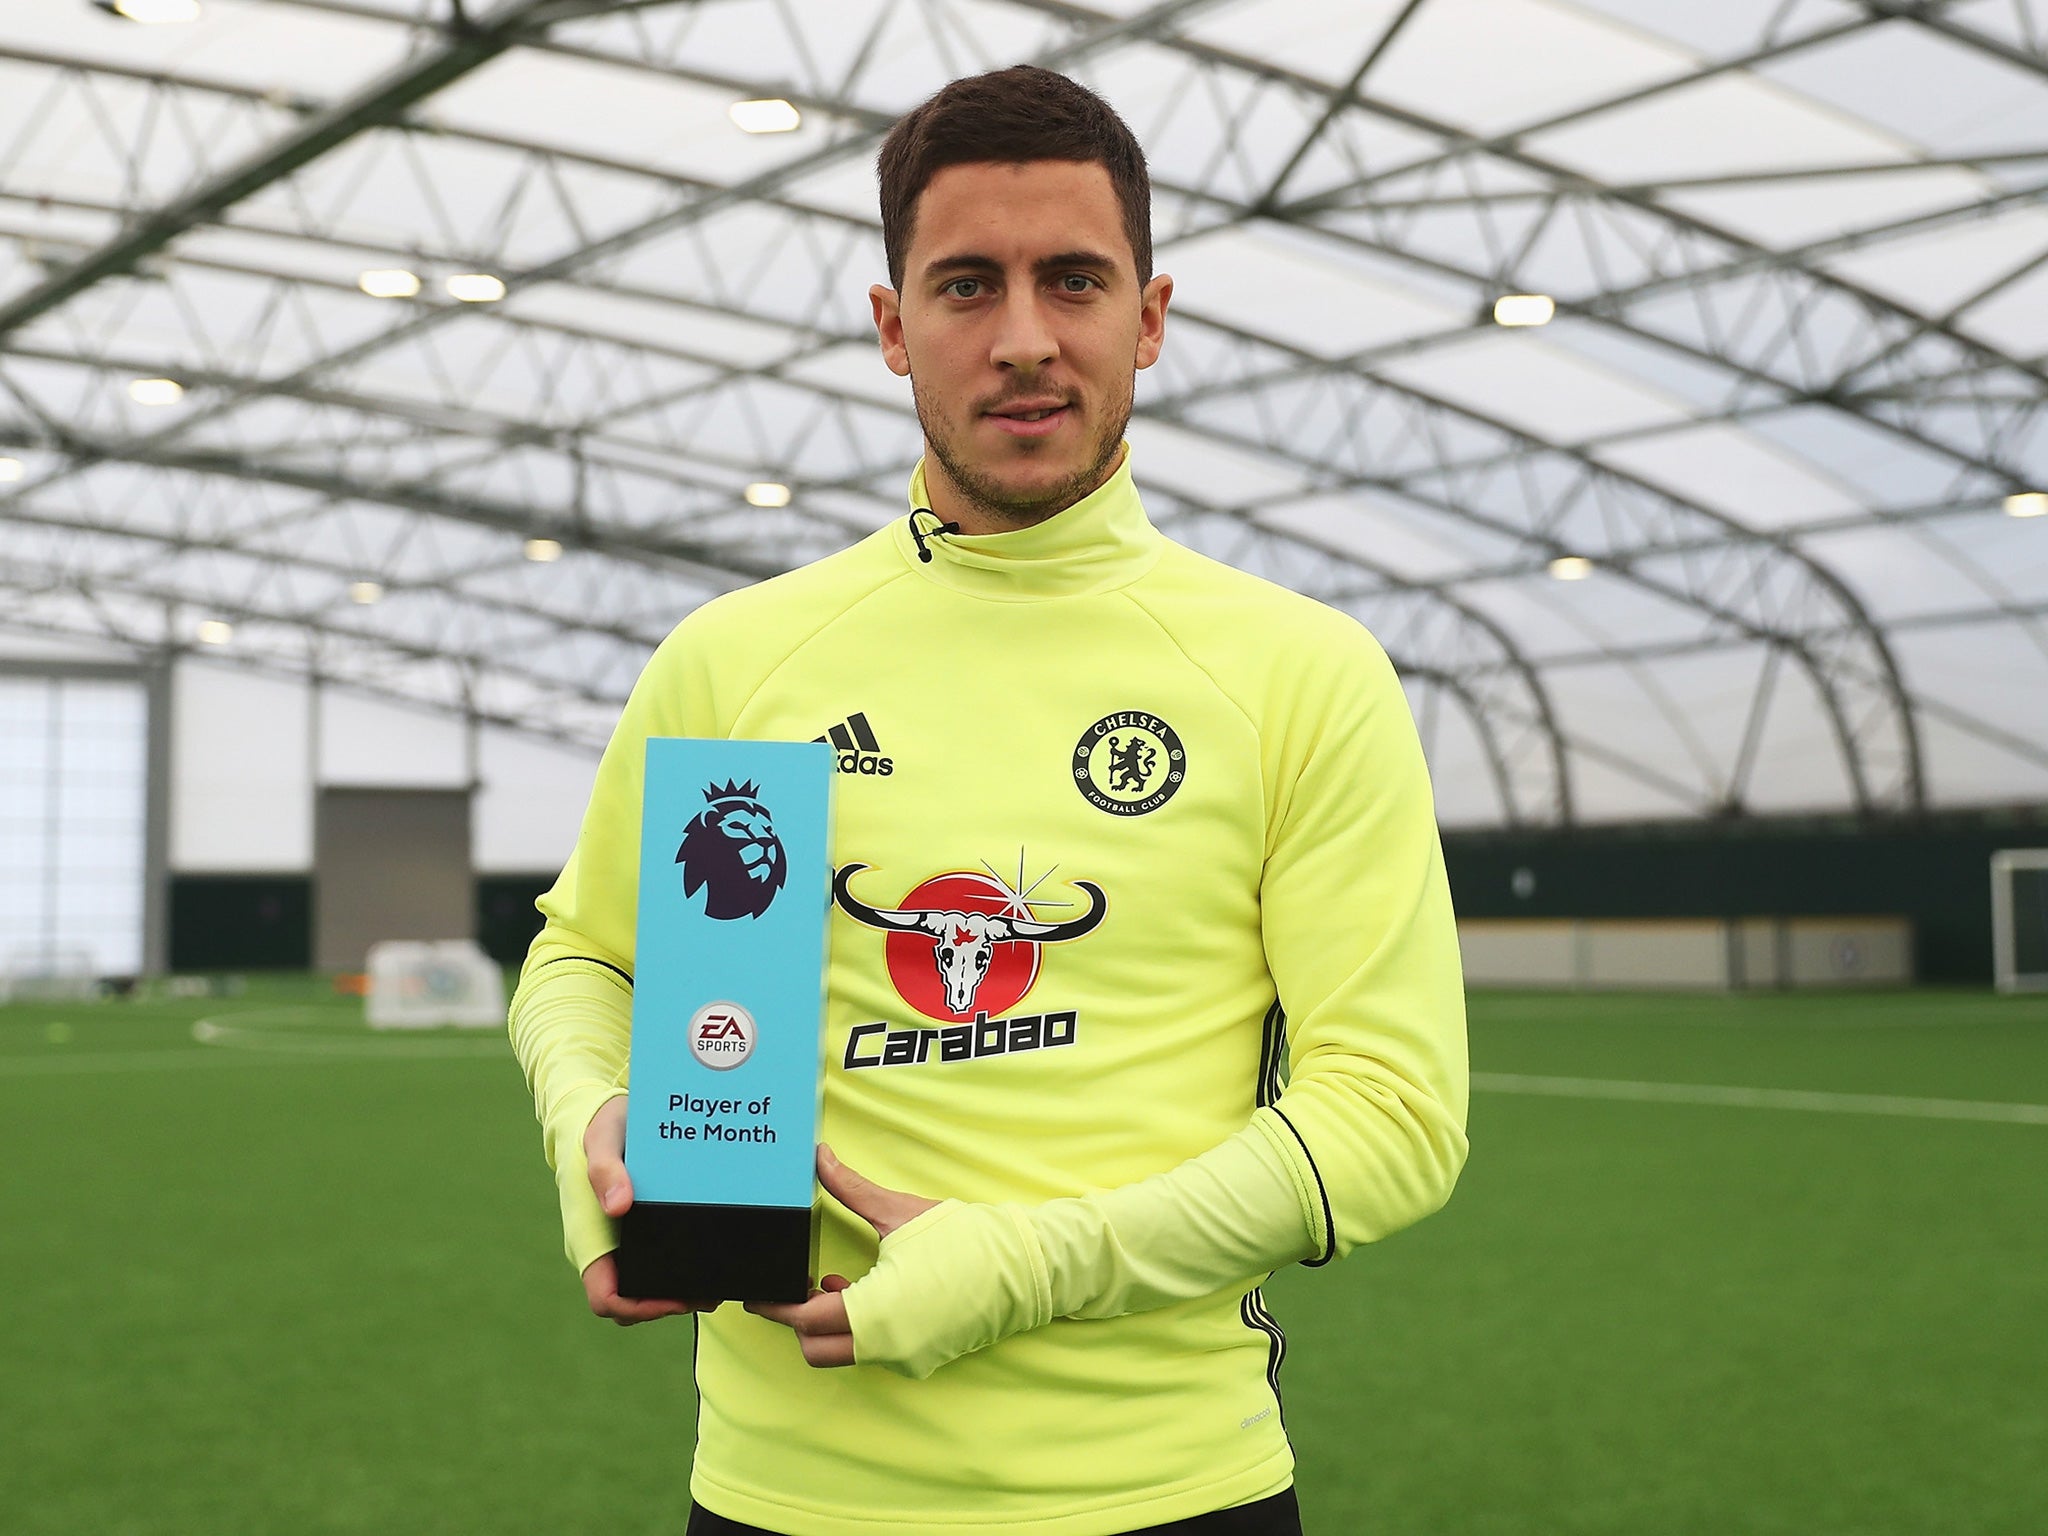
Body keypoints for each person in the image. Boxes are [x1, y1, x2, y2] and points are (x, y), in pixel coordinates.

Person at [509, 64, 1468, 1536]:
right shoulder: (739, 663)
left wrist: (1025, 1263)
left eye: (1073, 281)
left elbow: (1392, 1116)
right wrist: (603, 1125)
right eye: (966, 287)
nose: (1025, 340)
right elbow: (591, 959)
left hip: (1168, 1494)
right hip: (783, 1499)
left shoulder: (1299, 675)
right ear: (894, 328)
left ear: (1149, 315)